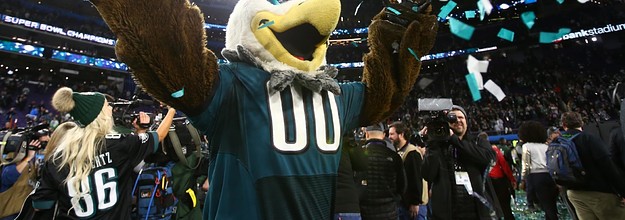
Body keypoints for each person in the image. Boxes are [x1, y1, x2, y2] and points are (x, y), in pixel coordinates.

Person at [31, 87, 176, 219]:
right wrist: (171, 109)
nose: (111, 110)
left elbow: (41, 205)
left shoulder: (56, 158)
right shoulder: (119, 144)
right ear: (99, 114)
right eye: (107, 106)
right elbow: (158, 136)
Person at [421, 105, 496, 220]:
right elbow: (428, 174)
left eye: (461, 117)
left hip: (476, 210)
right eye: (453, 118)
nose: (457, 121)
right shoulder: (438, 147)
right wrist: (431, 143)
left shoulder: (478, 142)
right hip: (447, 212)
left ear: (466, 121)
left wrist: (454, 140)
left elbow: (488, 159)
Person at [561, 111, 625, 220]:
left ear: (563, 125)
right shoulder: (588, 138)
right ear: (581, 123)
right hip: (598, 192)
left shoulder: (559, 142)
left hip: (573, 193)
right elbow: (608, 166)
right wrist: (622, 191)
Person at [354, 123, 406, 220]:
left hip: (365, 212)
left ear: (367, 134)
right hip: (389, 211)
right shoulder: (394, 156)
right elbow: (402, 186)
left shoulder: (358, 156)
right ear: (383, 135)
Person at [518, 121, 559, 220]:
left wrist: (523, 180)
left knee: (546, 205)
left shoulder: (526, 146)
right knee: (552, 204)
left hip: (536, 176)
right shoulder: (545, 146)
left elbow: (526, 165)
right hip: (549, 175)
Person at [388, 121, 426, 220]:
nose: (389, 137)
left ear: (401, 134)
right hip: (404, 204)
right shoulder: (400, 151)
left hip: (414, 206)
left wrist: (415, 202)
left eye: (392, 134)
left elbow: (416, 178)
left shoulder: (412, 152)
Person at [478, 132, 516, 220]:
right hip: (498, 181)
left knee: (492, 208)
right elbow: (504, 165)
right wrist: (512, 179)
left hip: (485, 183)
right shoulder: (494, 150)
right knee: (505, 207)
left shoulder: (477, 151)